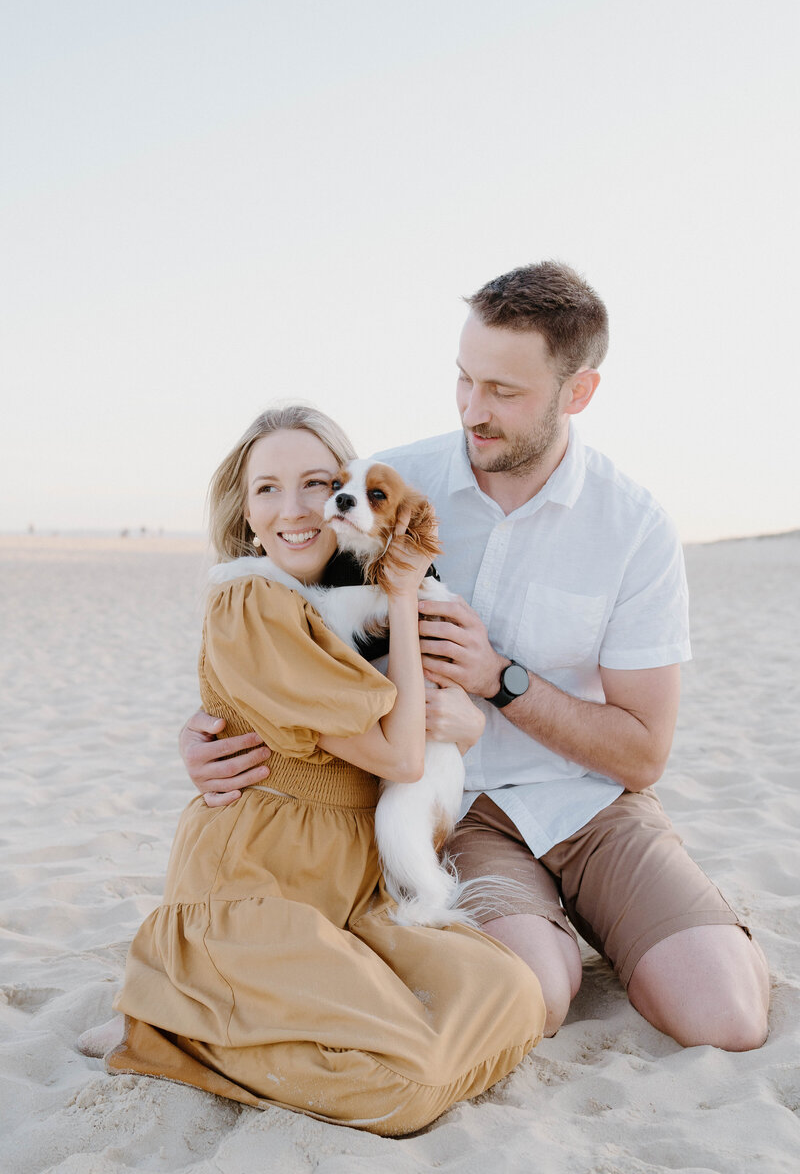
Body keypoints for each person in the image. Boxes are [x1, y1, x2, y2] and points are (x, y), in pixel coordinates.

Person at [181, 263, 770, 1052]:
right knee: (534, 997)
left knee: (725, 1018)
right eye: (464, 380)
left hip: (593, 804)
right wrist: (205, 726)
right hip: (453, 808)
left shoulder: (634, 527)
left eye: (504, 391)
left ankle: (643, 920)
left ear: (579, 392)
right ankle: (544, 931)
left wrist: (502, 680)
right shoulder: (389, 483)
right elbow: (285, 620)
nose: (472, 410)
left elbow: (644, 754)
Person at [90, 406, 545, 1137]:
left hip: (350, 893)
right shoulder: (251, 600)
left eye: (317, 483)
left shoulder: (335, 601)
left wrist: (466, 720)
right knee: (409, 1082)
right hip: (256, 890)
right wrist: (402, 594)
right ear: (245, 508)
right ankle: (172, 1024)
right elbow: (399, 753)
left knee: (513, 993)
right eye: (267, 489)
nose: (294, 510)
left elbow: (413, 718)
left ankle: (232, 1014)